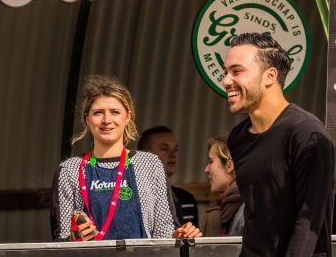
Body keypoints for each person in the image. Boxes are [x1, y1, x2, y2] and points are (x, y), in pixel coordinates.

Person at [221, 32, 336, 257]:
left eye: (237, 71)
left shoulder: (307, 134)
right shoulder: (238, 139)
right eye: (226, 72)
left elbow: (307, 226)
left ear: (270, 76)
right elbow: (258, 217)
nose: (227, 81)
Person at [52, 75, 201, 241]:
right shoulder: (70, 170)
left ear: (128, 116)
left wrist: (179, 235)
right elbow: (61, 240)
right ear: (87, 118)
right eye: (98, 113)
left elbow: (164, 230)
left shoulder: (149, 164)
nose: (107, 120)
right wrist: (74, 239)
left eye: (115, 112)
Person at [138, 126, 199, 227]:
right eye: (164, 149)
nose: (172, 155)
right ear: (144, 154)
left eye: (175, 149)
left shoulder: (187, 199)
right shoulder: (133, 196)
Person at [200, 136, 244, 237]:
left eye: (211, 162)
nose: (206, 169)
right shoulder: (226, 210)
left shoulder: (248, 210)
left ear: (229, 166)